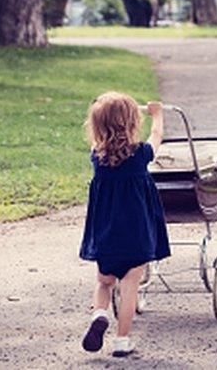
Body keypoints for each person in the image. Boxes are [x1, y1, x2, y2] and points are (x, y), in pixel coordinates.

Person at [79, 93, 170, 357]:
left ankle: (99, 314)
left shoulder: (97, 156)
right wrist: (158, 114)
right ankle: (121, 341)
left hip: (106, 234)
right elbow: (157, 136)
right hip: (136, 234)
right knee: (130, 284)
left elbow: (102, 144)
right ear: (131, 124)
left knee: (104, 282)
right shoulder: (141, 154)